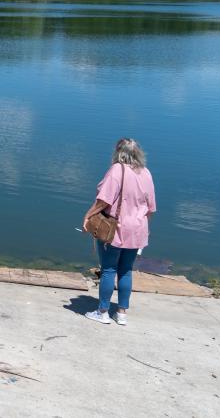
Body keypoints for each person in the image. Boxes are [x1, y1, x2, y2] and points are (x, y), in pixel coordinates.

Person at [81, 138, 156, 326]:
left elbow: (104, 201)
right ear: (138, 153)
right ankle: (122, 313)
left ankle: (103, 312)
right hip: (138, 229)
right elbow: (151, 208)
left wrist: (88, 216)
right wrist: (145, 229)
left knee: (108, 269)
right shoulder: (146, 173)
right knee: (126, 271)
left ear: (118, 152)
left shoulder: (117, 170)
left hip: (115, 228)